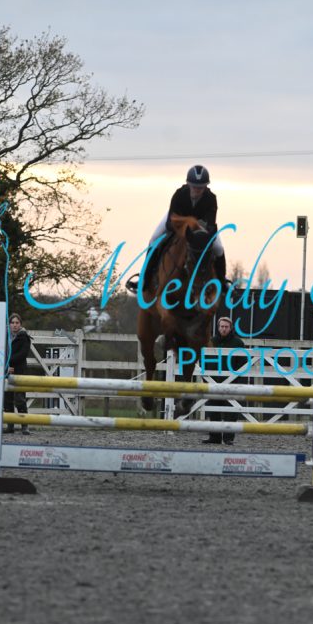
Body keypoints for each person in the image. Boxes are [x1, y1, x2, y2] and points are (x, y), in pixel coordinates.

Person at [127, 164, 228, 294]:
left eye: (201, 187)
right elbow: (170, 223)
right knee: (154, 240)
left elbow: (210, 224)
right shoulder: (179, 194)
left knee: (219, 248)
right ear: (188, 184)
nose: (197, 190)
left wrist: (198, 229)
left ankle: (222, 282)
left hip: (200, 228)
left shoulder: (211, 198)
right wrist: (185, 226)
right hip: (177, 222)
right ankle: (144, 280)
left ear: (205, 186)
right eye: (194, 186)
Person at [203, 316, 246, 446]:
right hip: (213, 380)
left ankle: (228, 438)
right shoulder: (211, 341)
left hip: (232, 382)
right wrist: (206, 379)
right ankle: (214, 436)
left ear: (230, 328)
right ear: (218, 327)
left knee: (231, 411)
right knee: (213, 409)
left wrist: (236, 379)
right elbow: (204, 360)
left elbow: (243, 363)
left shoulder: (238, 343)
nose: (224, 329)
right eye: (222, 326)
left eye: (226, 327)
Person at [3, 313, 33, 435]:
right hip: (7, 370)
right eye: (12, 323)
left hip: (19, 370)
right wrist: (6, 366)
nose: (15, 325)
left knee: (20, 399)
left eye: (17, 323)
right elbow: (2, 352)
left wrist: (9, 362)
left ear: (20, 324)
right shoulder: (5, 337)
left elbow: (23, 354)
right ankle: (10, 426)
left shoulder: (24, 337)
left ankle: (24, 426)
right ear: (9, 324)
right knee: (7, 399)